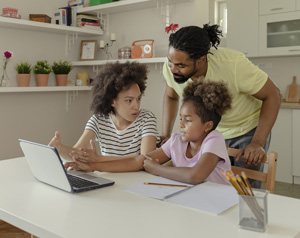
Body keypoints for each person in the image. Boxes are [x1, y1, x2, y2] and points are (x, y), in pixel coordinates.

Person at [160, 24, 281, 187]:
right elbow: (170, 96)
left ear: (201, 60)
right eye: (170, 62)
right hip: (211, 131)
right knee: (212, 185)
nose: (173, 69)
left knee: (245, 189)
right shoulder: (173, 66)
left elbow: (273, 95)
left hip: (247, 129)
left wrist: (257, 142)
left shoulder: (233, 64)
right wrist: (165, 134)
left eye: (181, 65)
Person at [65, 80, 232, 186]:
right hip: (192, 200)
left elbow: (195, 176)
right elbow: (139, 161)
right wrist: (94, 166)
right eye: (180, 118)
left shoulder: (214, 139)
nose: (180, 124)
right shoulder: (176, 141)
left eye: (187, 120)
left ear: (207, 126)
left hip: (221, 205)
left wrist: (156, 169)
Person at [49, 61, 159, 164]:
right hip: (109, 179)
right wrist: (59, 148)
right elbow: (76, 153)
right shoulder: (98, 120)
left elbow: (145, 159)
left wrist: (98, 160)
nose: (136, 105)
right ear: (112, 101)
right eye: (129, 100)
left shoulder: (146, 119)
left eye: (138, 99)